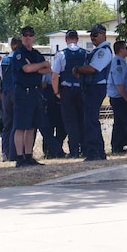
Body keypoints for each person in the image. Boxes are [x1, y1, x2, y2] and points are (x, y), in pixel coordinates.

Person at [11, 26, 52, 167]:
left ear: (34, 37)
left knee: (32, 126)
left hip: (35, 92)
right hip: (23, 92)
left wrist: (36, 67)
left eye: (30, 35)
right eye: (25, 35)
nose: (27, 37)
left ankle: (28, 156)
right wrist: (39, 66)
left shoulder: (35, 53)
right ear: (22, 37)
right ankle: (19, 158)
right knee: (21, 126)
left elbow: (48, 69)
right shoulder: (19, 54)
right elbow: (26, 69)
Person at [73, 24, 112, 161]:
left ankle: (94, 152)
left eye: (95, 34)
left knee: (90, 121)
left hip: (96, 88)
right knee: (91, 120)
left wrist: (78, 69)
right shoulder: (97, 51)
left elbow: (93, 69)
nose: (92, 37)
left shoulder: (103, 51)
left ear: (103, 35)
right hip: (91, 87)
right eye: (91, 35)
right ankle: (98, 152)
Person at [51, 29, 86, 158]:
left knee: (70, 121)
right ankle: (85, 147)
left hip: (67, 91)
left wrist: (56, 92)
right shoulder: (85, 53)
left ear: (66, 40)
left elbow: (55, 76)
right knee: (82, 119)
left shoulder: (61, 54)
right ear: (77, 39)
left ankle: (74, 150)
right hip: (82, 90)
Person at [107, 40, 127, 154]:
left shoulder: (120, 62)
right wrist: (126, 97)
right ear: (121, 49)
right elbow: (119, 83)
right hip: (120, 98)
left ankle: (117, 146)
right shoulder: (118, 63)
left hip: (119, 97)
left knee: (119, 123)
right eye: (126, 48)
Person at [0, 37, 21, 161]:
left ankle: (5, 152)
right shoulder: (21, 59)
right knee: (19, 123)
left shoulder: (4, 60)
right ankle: (17, 152)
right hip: (18, 92)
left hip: (6, 93)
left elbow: (2, 76)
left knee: (7, 124)